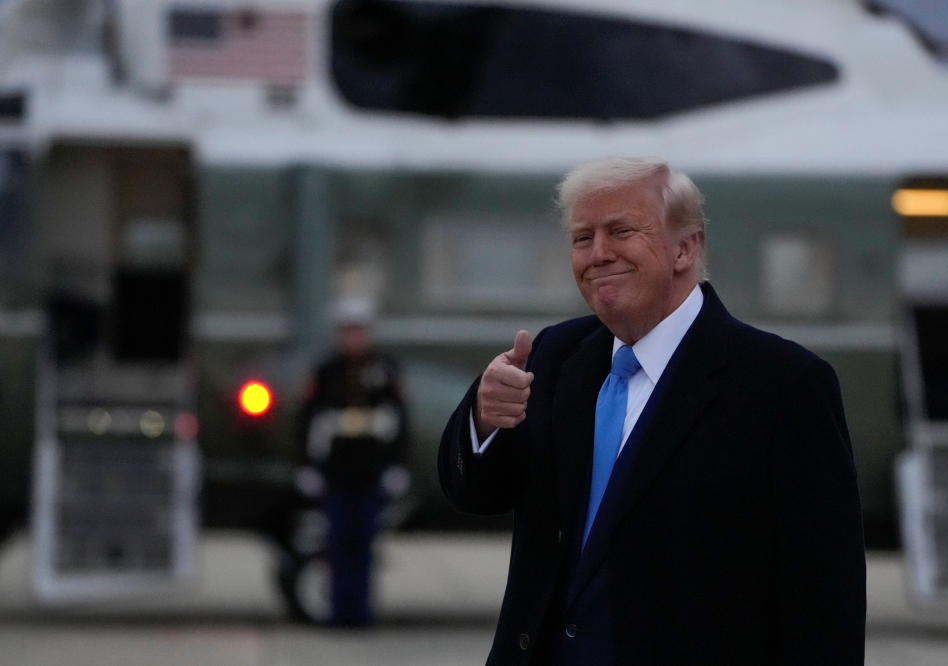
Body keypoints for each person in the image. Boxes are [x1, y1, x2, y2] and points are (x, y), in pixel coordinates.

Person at [438, 158, 866, 665]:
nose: (598, 254)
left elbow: (824, 599)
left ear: (685, 247)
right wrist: (485, 420)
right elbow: (475, 493)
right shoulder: (554, 357)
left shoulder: (785, 384)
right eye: (582, 238)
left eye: (620, 231)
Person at [299, 297, 410, 626]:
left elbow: (401, 421)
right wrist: (306, 465)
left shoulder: (386, 369)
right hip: (336, 468)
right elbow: (307, 420)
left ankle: (361, 611)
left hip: (371, 468)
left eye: (359, 331)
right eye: (348, 331)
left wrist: (398, 465)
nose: (354, 339)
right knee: (337, 542)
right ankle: (338, 610)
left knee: (364, 543)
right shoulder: (326, 370)